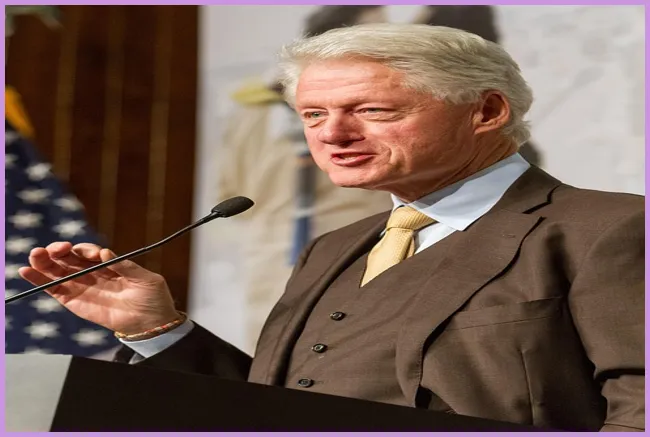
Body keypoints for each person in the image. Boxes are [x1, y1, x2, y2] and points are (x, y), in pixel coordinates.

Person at [19, 24, 644, 431]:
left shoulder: (611, 228)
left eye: (371, 110)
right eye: (313, 114)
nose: (333, 135)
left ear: (486, 110)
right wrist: (158, 329)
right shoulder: (335, 249)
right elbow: (271, 413)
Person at [216, 5, 392, 352]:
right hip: (279, 253)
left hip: (368, 247)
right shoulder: (252, 111)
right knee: (270, 352)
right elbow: (231, 191)